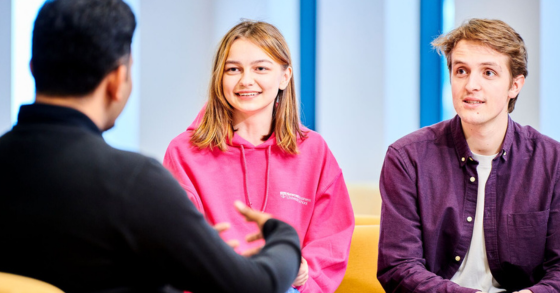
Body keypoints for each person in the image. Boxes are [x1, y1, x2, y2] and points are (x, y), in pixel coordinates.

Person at [0, 1, 302, 292]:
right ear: (118, 80)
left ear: (32, 68)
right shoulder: (132, 181)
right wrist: (283, 236)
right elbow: (254, 284)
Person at [164, 20, 354, 293]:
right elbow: (176, 243)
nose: (246, 80)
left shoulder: (313, 150)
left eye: (260, 68)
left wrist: (304, 272)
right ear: (220, 77)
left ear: (285, 77)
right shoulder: (184, 151)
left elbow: (331, 238)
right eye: (233, 69)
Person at [378, 18, 560, 293]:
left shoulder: (552, 161)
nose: (471, 85)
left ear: (515, 85)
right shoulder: (407, 158)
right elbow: (399, 267)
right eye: (461, 71)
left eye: (488, 73)